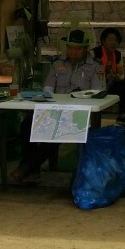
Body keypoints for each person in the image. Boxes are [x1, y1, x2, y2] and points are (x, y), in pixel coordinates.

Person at [14, 28, 103, 186]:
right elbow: (48, 89)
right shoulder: (57, 64)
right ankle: (32, 170)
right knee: (27, 125)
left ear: (86, 49)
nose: (73, 52)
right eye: (70, 48)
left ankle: (27, 167)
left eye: (78, 49)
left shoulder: (95, 66)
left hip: (78, 115)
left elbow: (98, 92)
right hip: (54, 111)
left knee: (56, 132)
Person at [91, 27, 125, 125]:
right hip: (94, 85)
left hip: (109, 84)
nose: (113, 43)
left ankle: (124, 117)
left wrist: (118, 77)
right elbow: (89, 72)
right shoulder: (94, 53)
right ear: (103, 41)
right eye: (110, 39)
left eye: (116, 41)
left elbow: (121, 74)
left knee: (123, 84)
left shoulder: (118, 55)